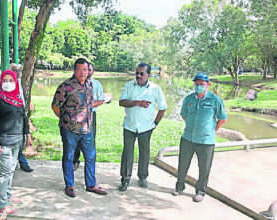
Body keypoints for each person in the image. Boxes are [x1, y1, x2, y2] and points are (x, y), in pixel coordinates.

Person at [52, 58, 107, 198]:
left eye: (85, 69)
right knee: (69, 157)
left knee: (90, 157)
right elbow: (55, 106)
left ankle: (91, 184)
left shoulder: (90, 85)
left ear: (89, 71)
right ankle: (69, 185)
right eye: (80, 69)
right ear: (74, 70)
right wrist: (66, 121)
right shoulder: (65, 86)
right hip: (70, 130)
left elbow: (89, 105)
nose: (83, 72)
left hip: (87, 129)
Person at [172, 72, 227, 202]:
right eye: (196, 84)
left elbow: (222, 118)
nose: (199, 86)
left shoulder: (215, 100)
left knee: (204, 168)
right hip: (188, 138)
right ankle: (179, 187)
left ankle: (200, 191)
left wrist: (213, 130)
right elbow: (184, 115)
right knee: (183, 164)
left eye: (202, 84)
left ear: (208, 85)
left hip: (206, 141)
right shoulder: (188, 99)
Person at [0, 70, 32, 214]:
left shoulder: (18, 97)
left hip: (17, 141)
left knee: (11, 171)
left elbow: (23, 117)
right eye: (4, 80)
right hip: (3, 142)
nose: (8, 83)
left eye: (10, 80)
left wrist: (28, 135)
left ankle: (8, 195)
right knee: (5, 173)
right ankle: (3, 204)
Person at [118, 63, 167, 192]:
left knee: (144, 153)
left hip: (146, 127)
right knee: (127, 153)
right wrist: (136, 103)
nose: (138, 76)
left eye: (142, 73)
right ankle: (125, 179)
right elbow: (121, 102)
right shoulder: (129, 85)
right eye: (137, 73)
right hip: (129, 125)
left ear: (148, 75)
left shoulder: (155, 89)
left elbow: (162, 108)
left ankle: (143, 177)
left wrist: (155, 123)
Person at [72, 62, 105, 171]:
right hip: (76, 115)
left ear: (92, 71)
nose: (87, 72)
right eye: (85, 69)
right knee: (76, 138)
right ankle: (75, 161)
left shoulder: (96, 84)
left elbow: (101, 100)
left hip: (90, 115)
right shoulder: (73, 84)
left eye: (89, 70)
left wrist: (88, 106)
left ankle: (90, 165)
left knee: (89, 140)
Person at [8, 63, 34, 172]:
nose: (18, 73)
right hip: (10, 116)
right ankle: (21, 161)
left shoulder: (18, 83)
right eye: (15, 70)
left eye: (19, 70)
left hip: (20, 113)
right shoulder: (7, 84)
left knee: (20, 139)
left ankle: (19, 160)